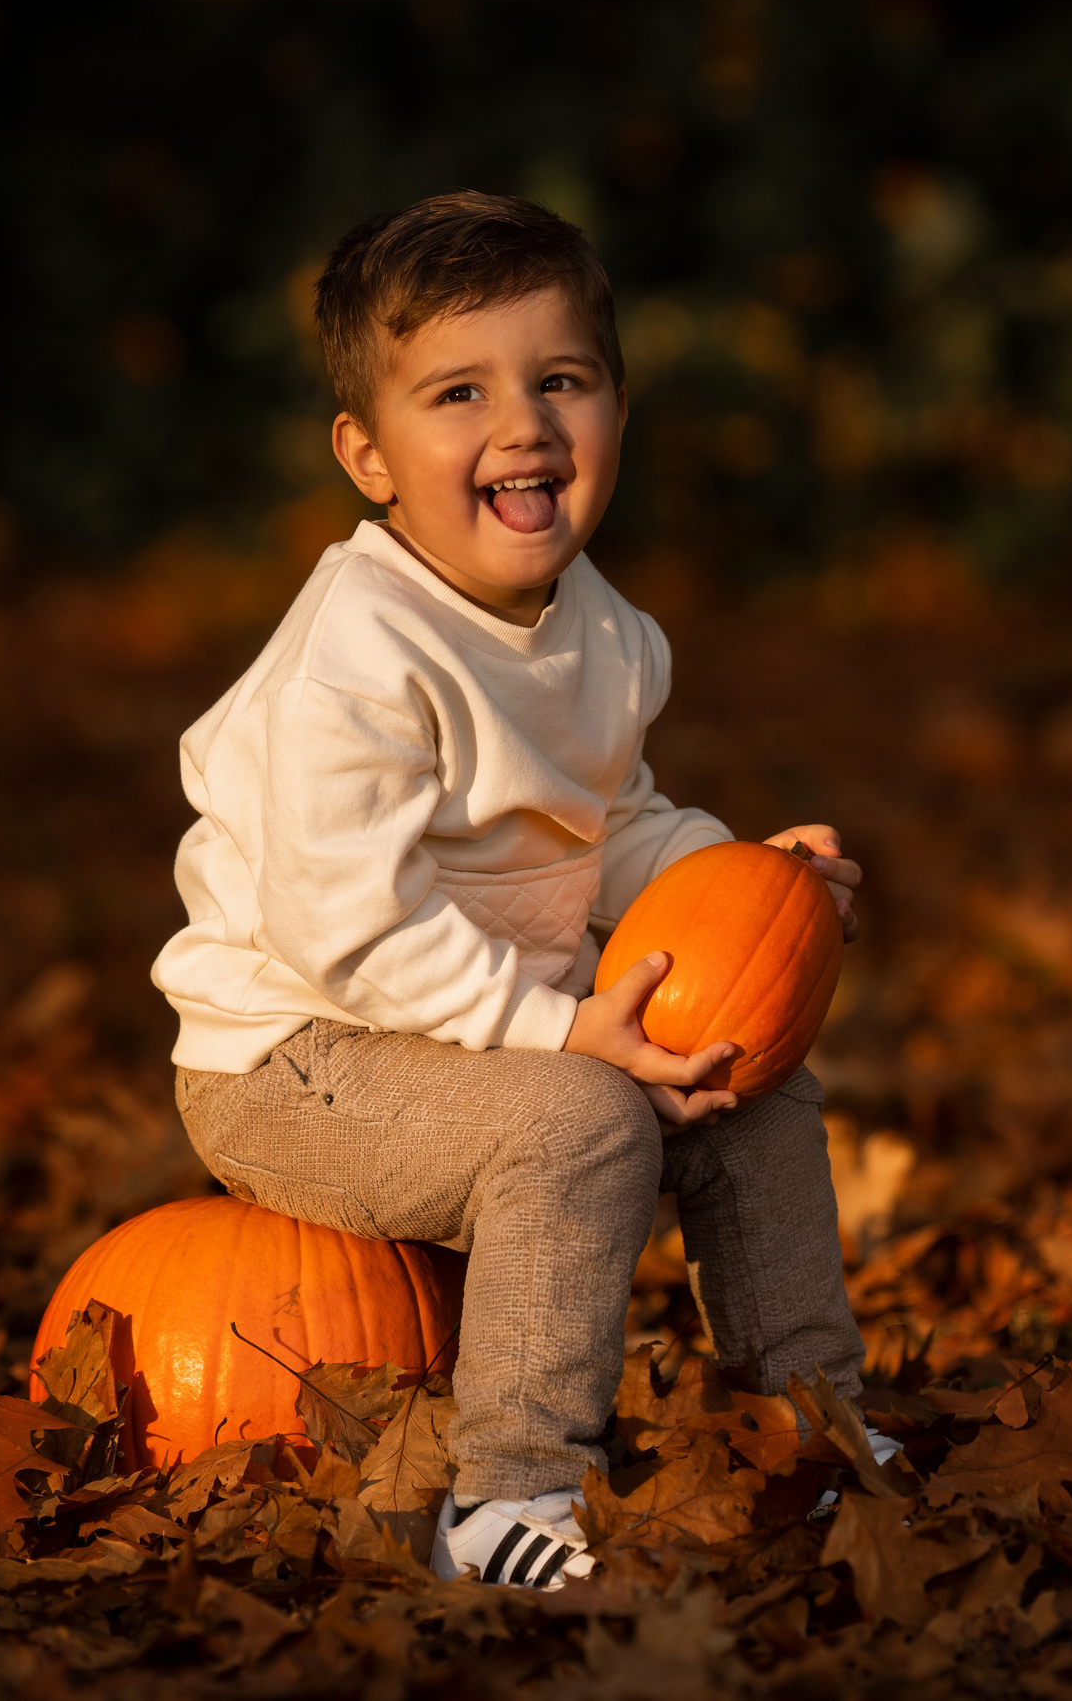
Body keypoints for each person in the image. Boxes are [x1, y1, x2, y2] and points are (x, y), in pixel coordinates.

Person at [152, 190, 890, 1592]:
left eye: (562, 381)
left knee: (756, 1085)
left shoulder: (603, 631)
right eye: (458, 393)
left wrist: (747, 880)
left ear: (615, 409)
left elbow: (609, 828)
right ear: (367, 455)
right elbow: (345, 928)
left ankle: (810, 1414)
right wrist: (562, 1037)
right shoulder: (359, 659)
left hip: (479, 1031)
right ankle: (509, 1490)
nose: (525, 425)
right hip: (299, 1054)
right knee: (584, 1119)